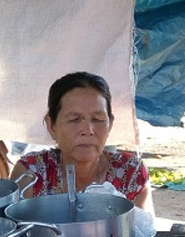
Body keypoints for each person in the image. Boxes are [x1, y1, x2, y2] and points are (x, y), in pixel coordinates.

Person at [10, 72, 152, 211]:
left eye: (97, 120)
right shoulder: (31, 174)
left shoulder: (131, 174)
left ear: (110, 124)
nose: (88, 130)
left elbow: (146, 230)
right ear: (51, 126)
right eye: (74, 120)